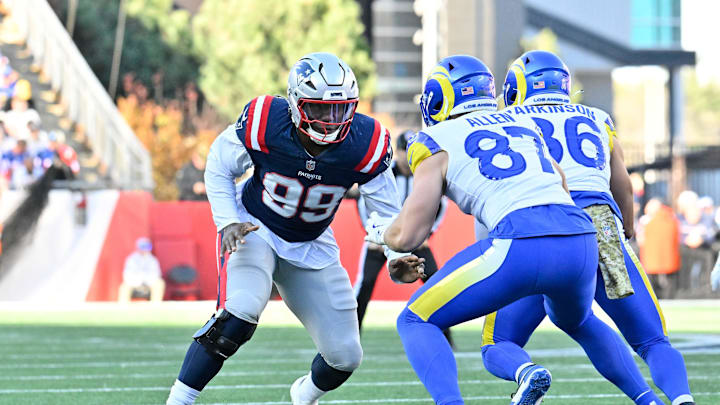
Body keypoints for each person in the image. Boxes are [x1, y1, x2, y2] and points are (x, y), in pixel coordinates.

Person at [365, 55, 664, 405]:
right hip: (581, 241)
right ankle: (649, 400)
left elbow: (409, 235)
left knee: (415, 320)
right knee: (580, 322)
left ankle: (481, 390)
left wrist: (384, 234)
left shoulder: (432, 140)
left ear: (438, 97)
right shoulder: (522, 123)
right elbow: (561, 181)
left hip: (521, 240)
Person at [166, 52, 415, 405]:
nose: (330, 120)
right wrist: (228, 221)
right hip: (256, 227)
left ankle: (304, 395)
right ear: (297, 104)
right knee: (241, 311)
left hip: (311, 243)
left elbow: (386, 212)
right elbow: (219, 166)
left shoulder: (366, 141)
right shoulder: (267, 121)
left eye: (340, 109)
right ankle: (179, 400)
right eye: (319, 109)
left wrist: (396, 253)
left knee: (345, 356)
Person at [476, 50, 693, 405]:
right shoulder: (595, 116)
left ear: (516, 87)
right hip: (600, 223)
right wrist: (624, 230)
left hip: (542, 225)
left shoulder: (506, 120)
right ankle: (680, 398)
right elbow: (621, 182)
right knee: (653, 341)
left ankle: (527, 372)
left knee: (498, 342)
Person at [351, 130, 451, 344]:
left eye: (411, 149)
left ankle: (445, 336)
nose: (408, 155)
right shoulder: (385, 173)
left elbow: (440, 204)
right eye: (405, 149)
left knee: (436, 284)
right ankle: (351, 337)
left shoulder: (424, 173)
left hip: (415, 240)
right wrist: (375, 236)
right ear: (397, 151)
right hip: (382, 241)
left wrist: (426, 234)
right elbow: (364, 204)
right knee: (364, 283)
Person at [118, 237, 165, 303]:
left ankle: (155, 305)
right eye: (143, 247)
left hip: (149, 282)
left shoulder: (152, 260)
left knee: (160, 284)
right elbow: (127, 274)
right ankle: (123, 307)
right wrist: (138, 281)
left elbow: (156, 274)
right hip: (134, 282)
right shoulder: (131, 259)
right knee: (124, 287)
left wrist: (146, 281)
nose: (145, 250)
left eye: (147, 247)